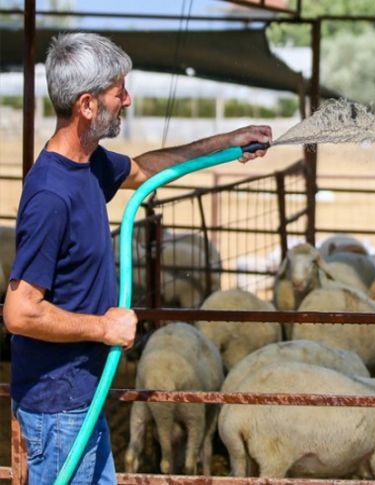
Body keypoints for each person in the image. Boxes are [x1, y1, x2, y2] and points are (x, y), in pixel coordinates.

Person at [2, 32, 271, 483]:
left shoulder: (87, 166)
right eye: (116, 92)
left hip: (82, 401)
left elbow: (145, 169)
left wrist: (229, 141)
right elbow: (19, 312)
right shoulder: (51, 193)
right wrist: (103, 327)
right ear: (87, 105)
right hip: (57, 412)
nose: (126, 100)